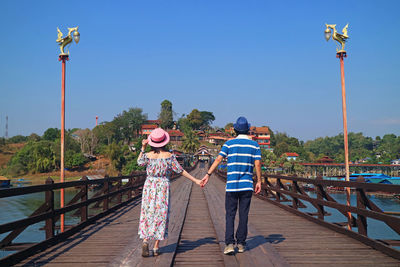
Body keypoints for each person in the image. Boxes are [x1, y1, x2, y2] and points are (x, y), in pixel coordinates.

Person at [201, 116, 262, 255]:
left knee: (230, 214)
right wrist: (259, 181)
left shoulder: (229, 144)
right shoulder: (254, 145)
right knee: (243, 215)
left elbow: (218, 159)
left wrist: (208, 174)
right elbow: (257, 164)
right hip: (247, 185)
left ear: (235, 130)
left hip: (232, 186)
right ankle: (240, 244)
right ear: (248, 130)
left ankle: (229, 244)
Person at [137, 128, 202, 257]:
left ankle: (145, 240)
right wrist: (195, 180)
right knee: (161, 214)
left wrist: (142, 148)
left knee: (147, 213)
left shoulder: (148, 156)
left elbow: (139, 163)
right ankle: (156, 247)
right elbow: (180, 170)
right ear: (164, 142)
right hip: (163, 186)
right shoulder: (169, 156)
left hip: (149, 185)